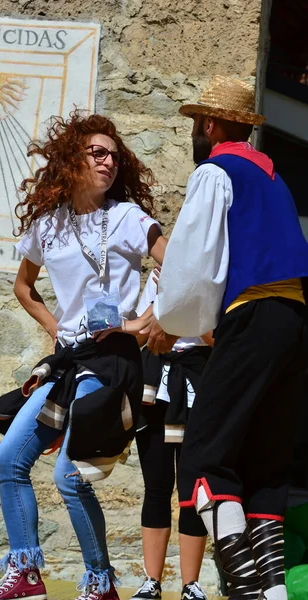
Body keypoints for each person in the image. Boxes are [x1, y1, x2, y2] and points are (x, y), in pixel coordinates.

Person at [0, 112, 167, 600]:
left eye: (114, 155)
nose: (108, 161)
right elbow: (24, 287)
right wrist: (57, 329)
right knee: (8, 459)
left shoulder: (126, 218)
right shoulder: (48, 224)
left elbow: (177, 263)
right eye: (97, 153)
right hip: (68, 359)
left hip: (112, 361)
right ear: (71, 161)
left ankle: (100, 583)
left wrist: (143, 321)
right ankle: (27, 576)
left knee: (69, 473)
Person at [152, 75, 308, 600]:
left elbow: (196, 262)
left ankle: (241, 585)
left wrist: (168, 319)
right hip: (294, 320)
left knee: (203, 452)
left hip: (253, 316)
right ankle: (273, 591)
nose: (195, 134)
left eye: (197, 124)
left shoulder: (217, 172)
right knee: (265, 458)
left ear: (211, 124)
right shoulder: (273, 179)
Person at [130, 270, 212, 600]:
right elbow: (137, 336)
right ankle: (152, 581)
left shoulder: (214, 278)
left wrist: (189, 305)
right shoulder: (158, 277)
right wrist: (163, 300)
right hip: (156, 387)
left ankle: (190, 584)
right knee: (157, 485)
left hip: (198, 382)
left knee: (193, 488)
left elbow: (217, 339)